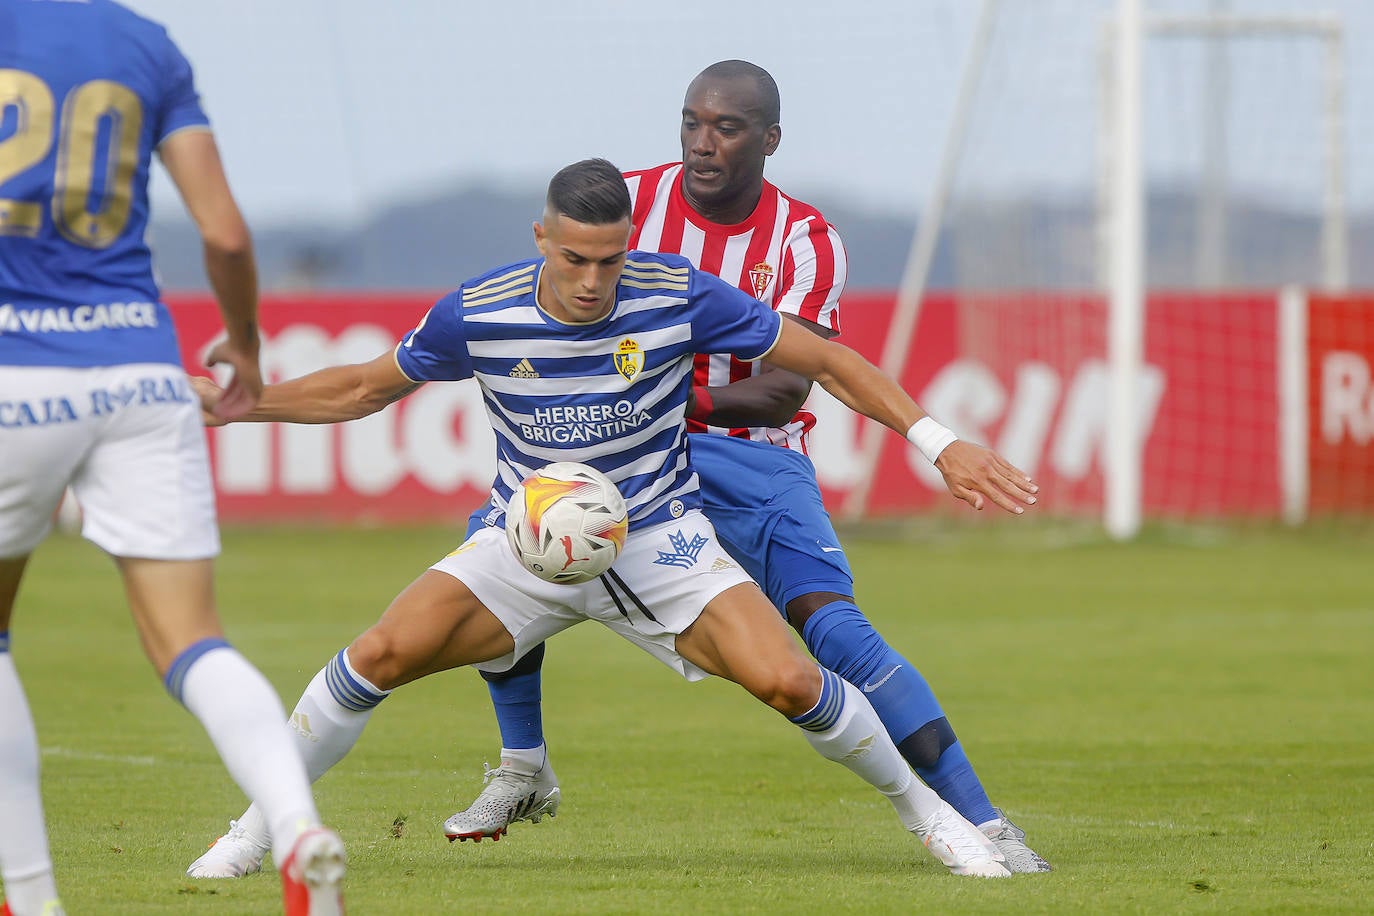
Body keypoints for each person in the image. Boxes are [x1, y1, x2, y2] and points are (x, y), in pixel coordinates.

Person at [183, 158, 1037, 881]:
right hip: (525, 544)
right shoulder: (479, 312)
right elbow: (364, 388)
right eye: (578, 259)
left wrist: (937, 440)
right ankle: (260, 831)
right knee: (376, 653)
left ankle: (932, 818)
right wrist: (239, 405)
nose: (595, 282)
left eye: (611, 260)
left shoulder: (675, 294)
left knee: (789, 681)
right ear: (542, 239)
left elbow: (826, 359)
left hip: (660, 538)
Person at [436, 60, 1052, 872]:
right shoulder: (628, 201)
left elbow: (778, 391)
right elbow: (548, 301)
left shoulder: (804, 240)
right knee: (510, 542)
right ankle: (523, 769)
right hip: (627, 456)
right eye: (691, 122)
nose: (702, 143)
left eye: (726, 128)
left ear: (769, 140)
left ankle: (983, 822)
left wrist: (643, 397)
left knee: (837, 632)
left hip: (752, 457)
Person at [0, 2, 345, 914]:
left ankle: (32, 899)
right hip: (140, 374)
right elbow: (225, 234)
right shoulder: (144, 45)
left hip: (12, 376)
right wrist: (243, 344)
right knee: (193, 640)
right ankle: (296, 823)